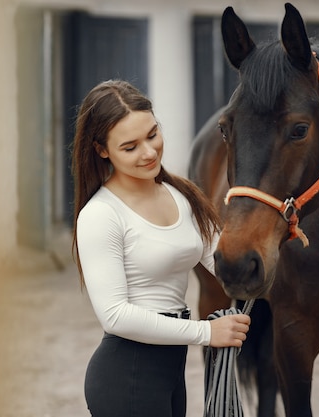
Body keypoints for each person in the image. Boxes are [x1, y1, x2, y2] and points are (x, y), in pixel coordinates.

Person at [71, 80, 250, 417]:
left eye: (152, 135)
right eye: (130, 146)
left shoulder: (181, 195)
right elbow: (115, 316)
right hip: (127, 377)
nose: (149, 152)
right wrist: (206, 332)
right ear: (102, 150)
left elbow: (226, 265)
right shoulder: (100, 214)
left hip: (170, 372)